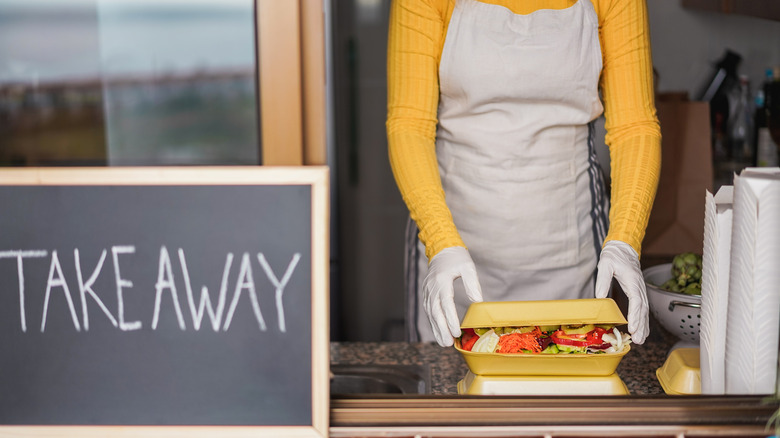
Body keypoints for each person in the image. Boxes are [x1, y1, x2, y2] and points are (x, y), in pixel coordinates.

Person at [386, 0, 661, 346]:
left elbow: (633, 126)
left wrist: (625, 240)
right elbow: (409, 123)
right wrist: (441, 243)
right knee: (449, 391)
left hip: (568, 251)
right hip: (453, 248)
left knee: (562, 389)